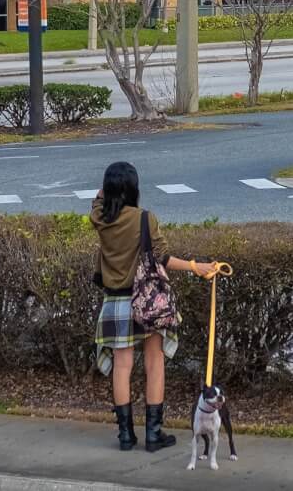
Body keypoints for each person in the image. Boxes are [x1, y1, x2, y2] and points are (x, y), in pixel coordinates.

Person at [91, 161, 222, 453]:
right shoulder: (144, 218)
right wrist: (195, 266)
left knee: (121, 367)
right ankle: (153, 435)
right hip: (147, 302)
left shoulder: (100, 218)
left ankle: (125, 436)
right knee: (155, 364)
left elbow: (98, 199)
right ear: (134, 188)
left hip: (115, 302)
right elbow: (162, 258)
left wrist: (104, 193)